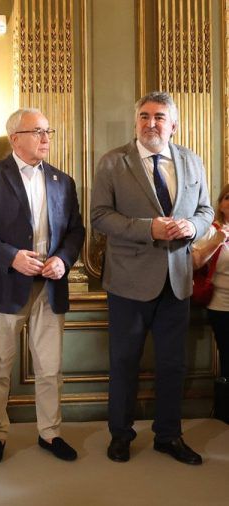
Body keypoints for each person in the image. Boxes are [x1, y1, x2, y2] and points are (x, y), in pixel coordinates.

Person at [91, 91, 212, 465]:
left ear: (173, 125)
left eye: (159, 117)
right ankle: (121, 436)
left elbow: (206, 210)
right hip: (128, 283)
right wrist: (149, 229)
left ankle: (168, 436)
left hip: (177, 281)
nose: (151, 123)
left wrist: (192, 225)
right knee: (124, 362)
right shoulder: (113, 162)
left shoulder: (192, 162)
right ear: (136, 122)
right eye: (144, 116)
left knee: (173, 365)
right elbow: (99, 216)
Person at [0, 108, 85, 464]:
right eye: (38, 132)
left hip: (50, 286)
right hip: (5, 284)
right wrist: (11, 256)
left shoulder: (64, 181)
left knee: (50, 367)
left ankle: (50, 433)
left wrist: (63, 259)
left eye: (48, 131)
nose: (46, 138)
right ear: (14, 138)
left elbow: (75, 231)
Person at [191, 184, 229, 424]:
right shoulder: (210, 229)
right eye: (227, 197)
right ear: (221, 203)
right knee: (228, 358)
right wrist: (217, 240)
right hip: (221, 305)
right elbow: (194, 263)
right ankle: (225, 411)